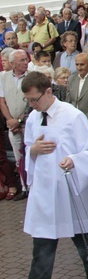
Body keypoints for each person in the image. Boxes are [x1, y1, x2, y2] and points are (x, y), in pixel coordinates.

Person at [21, 71, 88, 279]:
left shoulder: (73, 116)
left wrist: (74, 161)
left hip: (70, 193)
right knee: (42, 254)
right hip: (45, 196)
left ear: (48, 91)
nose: (31, 105)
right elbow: (29, 148)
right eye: (27, 100)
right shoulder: (33, 117)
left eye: (34, 99)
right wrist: (33, 151)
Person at [0, 49, 30, 199]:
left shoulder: (31, 77)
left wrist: (19, 120)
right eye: (22, 60)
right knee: (19, 158)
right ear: (12, 64)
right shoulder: (3, 77)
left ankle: (33, 187)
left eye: (26, 59)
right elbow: (2, 101)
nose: (25, 63)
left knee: (31, 156)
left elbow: (31, 102)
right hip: (12, 125)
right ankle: (24, 187)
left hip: (28, 124)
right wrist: (11, 121)